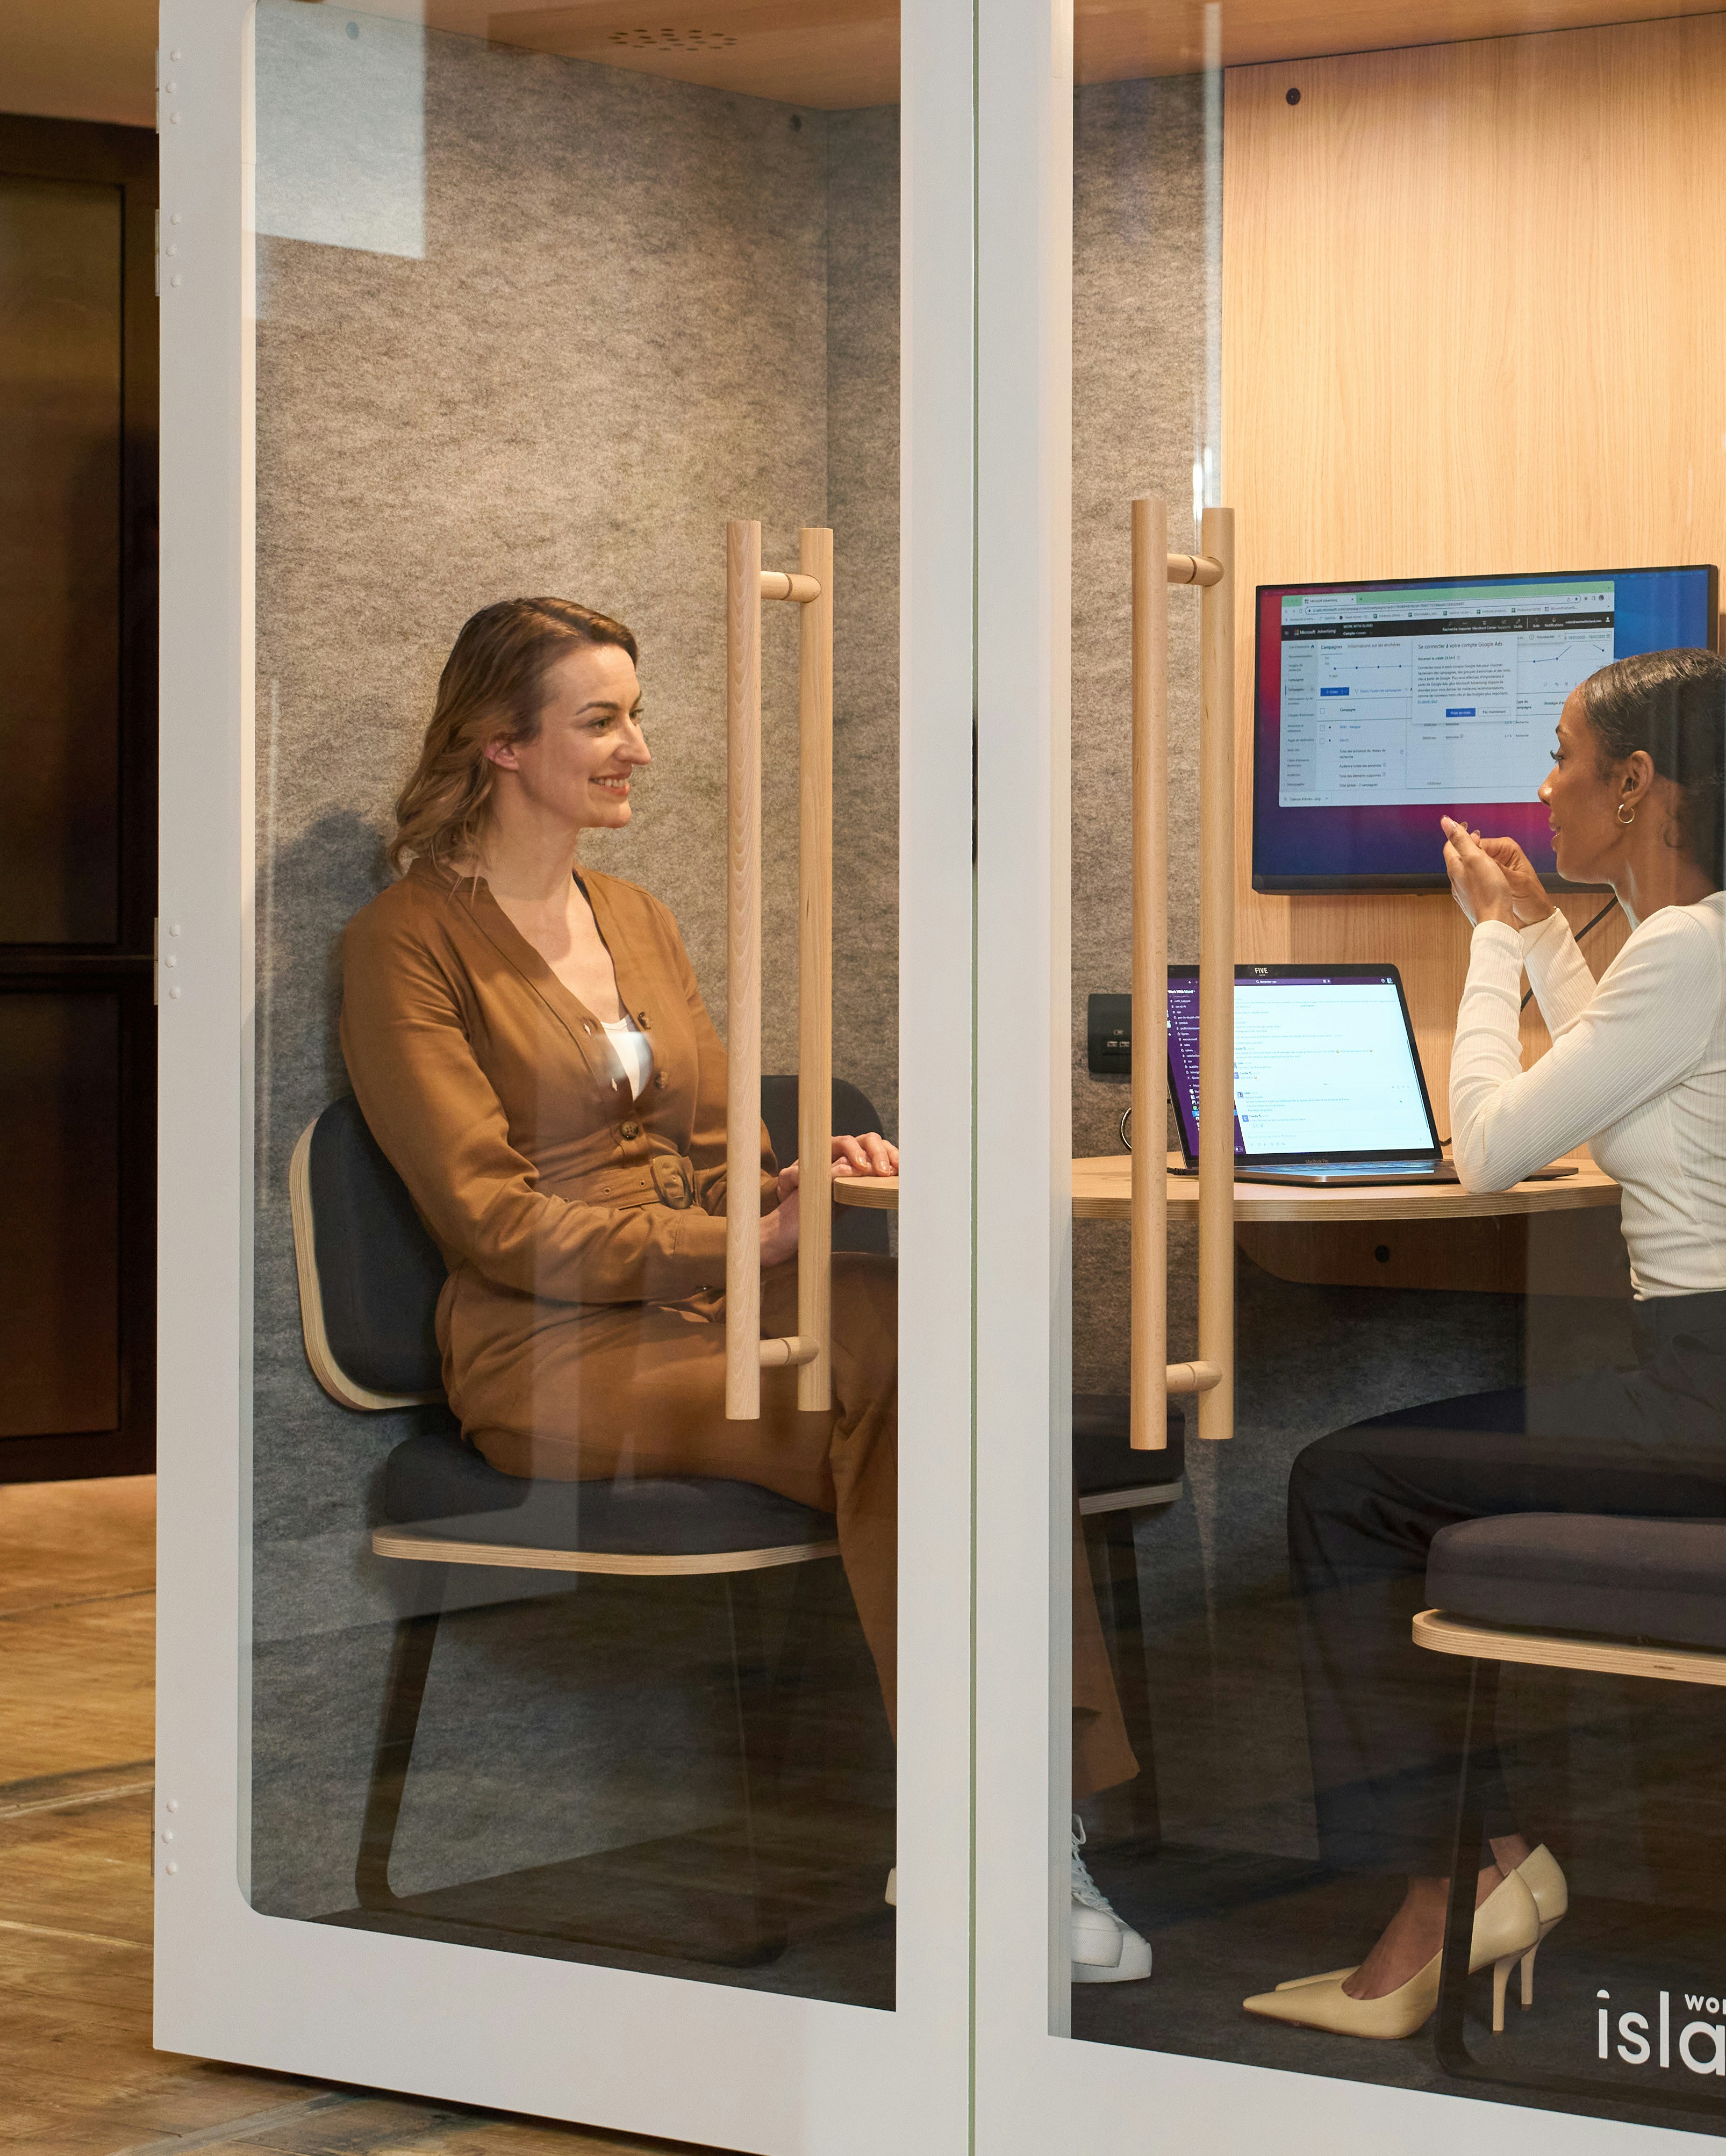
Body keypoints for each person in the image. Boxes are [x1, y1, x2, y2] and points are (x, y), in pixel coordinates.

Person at [339, 595, 1155, 1979]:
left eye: (634, 715)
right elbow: (486, 1217)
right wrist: (732, 1245)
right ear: (497, 743)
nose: (637, 749)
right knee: (898, 1383)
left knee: (955, 1341)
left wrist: (795, 1189)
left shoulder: (640, 918)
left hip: (703, 1304)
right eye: (600, 720)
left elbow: (715, 1161)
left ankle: (999, 1822)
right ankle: (1011, 1833)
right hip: (542, 1349)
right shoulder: (405, 940)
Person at [1242, 647, 1726, 2039]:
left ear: (1637, 783)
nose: (1544, 784)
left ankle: (1455, 1881)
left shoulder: (1680, 948)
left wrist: (1483, 941)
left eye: (1562, 753)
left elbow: (1486, 1150)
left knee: (1344, 1483)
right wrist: (1539, 928)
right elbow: (1621, 1069)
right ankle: (1465, 1872)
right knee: (1379, 1475)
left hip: (1716, 1401)